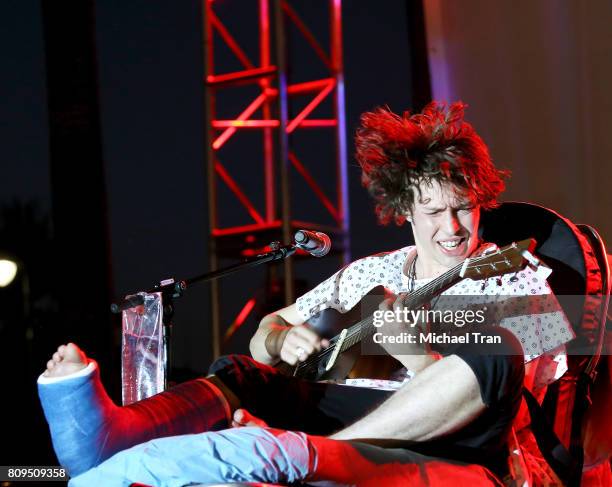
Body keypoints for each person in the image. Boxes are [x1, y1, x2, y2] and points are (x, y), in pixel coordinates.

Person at [38, 102, 574, 486]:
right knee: (243, 372)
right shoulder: (370, 271)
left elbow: (513, 397)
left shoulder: (523, 275)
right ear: (404, 211)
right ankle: (114, 435)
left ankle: (315, 456)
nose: (453, 227)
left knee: (498, 352)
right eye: (434, 212)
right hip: (352, 411)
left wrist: (411, 349)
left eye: (464, 208)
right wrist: (283, 340)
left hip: (453, 439)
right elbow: (262, 337)